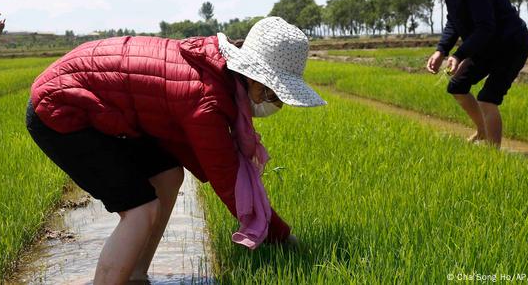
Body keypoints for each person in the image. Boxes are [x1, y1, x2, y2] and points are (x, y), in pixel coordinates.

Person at [26, 17, 326, 284]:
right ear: (249, 73)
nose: (272, 102)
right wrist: (284, 239)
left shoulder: (215, 68)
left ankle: (135, 274)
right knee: (140, 209)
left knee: (168, 175)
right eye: (270, 91)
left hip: (98, 102)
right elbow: (228, 181)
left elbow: (185, 142)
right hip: (63, 107)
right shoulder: (206, 98)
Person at [417, 0, 528, 148]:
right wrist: (442, 50)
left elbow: (485, 28)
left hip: (509, 46)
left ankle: (493, 154)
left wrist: (459, 55)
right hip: (486, 44)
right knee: (457, 86)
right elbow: (454, 20)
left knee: (488, 98)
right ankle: (481, 131)